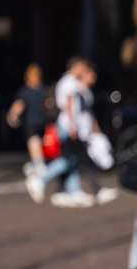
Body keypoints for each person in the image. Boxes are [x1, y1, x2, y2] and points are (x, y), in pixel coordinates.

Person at [25, 57, 116, 207]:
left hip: (69, 125)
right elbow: (68, 103)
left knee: (72, 158)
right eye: (82, 67)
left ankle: (72, 190)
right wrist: (73, 125)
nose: (84, 70)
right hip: (67, 125)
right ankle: (41, 178)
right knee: (69, 158)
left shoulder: (69, 80)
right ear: (77, 66)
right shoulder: (69, 81)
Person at [6, 64, 47, 176]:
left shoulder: (25, 91)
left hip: (31, 122)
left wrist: (11, 115)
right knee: (39, 143)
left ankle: (39, 165)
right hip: (43, 121)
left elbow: (19, 105)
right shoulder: (43, 89)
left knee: (33, 143)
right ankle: (36, 164)